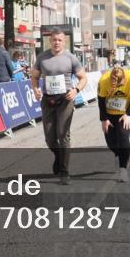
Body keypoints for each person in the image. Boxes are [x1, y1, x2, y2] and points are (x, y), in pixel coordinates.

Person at [32, 31, 87, 185]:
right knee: (50, 138)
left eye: (60, 40)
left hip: (65, 99)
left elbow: (83, 78)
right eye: (54, 40)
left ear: (64, 42)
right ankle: (59, 156)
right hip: (48, 99)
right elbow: (34, 76)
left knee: (63, 135)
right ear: (50, 41)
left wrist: (76, 90)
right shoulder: (42, 57)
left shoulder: (70, 57)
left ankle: (64, 171)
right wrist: (35, 89)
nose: (57, 42)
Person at [98, 64, 130, 183]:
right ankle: (118, 154)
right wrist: (104, 119)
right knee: (110, 142)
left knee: (123, 137)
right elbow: (101, 101)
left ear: (124, 79)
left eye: (120, 84)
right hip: (109, 113)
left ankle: (123, 169)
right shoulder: (104, 80)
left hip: (125, 112)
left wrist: (127, 114)